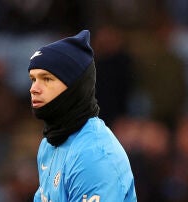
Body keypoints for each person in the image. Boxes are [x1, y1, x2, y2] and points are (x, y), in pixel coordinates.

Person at [28, 30, 137, 201]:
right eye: (33, 79)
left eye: (46, 79)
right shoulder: (49, 145)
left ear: (74, 87)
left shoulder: (94, 155)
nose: (34, 88)